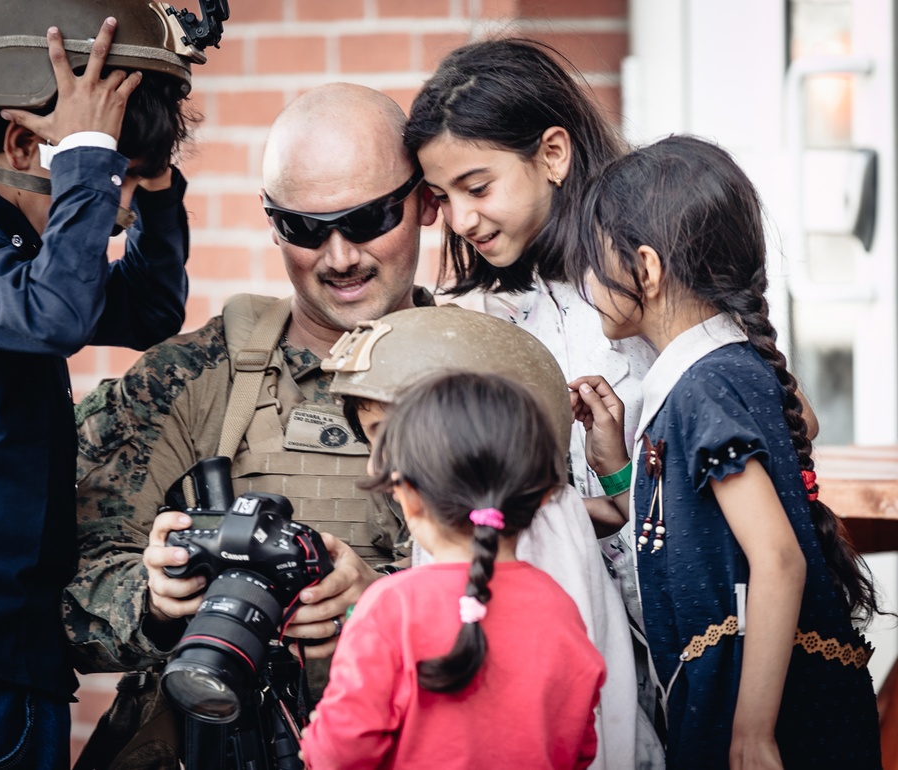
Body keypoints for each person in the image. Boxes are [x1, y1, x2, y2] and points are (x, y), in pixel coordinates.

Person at [63, 82, 437, 764]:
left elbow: (550, 615)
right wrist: (157, 600)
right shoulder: (191, 379)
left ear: (426, 201)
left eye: (370, 218)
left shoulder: (488, 384)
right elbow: (45, 588)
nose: (341, 255)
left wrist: (382, 608)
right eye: (305, 228)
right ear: (270, 221)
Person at [0, 0, 198, 765]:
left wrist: (159, 186)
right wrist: (91, 154)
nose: (118, 201)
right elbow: (59, 313)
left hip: (8, 664)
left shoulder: (11, 255)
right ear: (26, 144)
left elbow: (147, 308)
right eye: (112, 174)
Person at [568, 134, 882, 769]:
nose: (585, 284)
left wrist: (752, 732)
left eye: (592, 263)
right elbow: (689, 529)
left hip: (762, 716)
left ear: (646, 269)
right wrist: (616, 474)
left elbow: (778, 558)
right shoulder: (723, 370)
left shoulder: (702, 387)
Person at [404, 38, 665, 767]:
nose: (459, 219)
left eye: (477, 187)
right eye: (441, 198)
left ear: (553, 153)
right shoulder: (475, 322)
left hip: (678, 629)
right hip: (547, 650)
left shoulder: (641, 293)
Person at [325, 304, 638, 770]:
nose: (378, 463)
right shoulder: (549, 544)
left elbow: (342, 747)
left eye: (388, 434)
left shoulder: (544, 530)